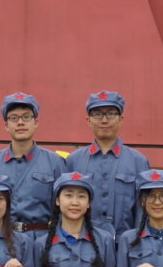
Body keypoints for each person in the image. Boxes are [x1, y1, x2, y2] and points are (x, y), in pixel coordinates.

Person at [0, 92, 65, 238]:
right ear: (6, 125)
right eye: (14, 118)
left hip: (40, 239)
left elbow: (63, 210)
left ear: (36, 122)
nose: (20, 123)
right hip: (1, 238)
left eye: (26, 117)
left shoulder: (55, 162)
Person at [64, 91, 149, 234]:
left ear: (120, 119)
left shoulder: (138, 161)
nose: (104, 120)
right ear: (88, 121)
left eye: (111, 113)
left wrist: (136, 241)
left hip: (124, 242)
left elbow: (143, 210)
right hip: (83, 242)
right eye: (97, 114)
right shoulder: (74, 160)